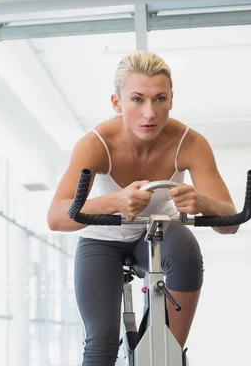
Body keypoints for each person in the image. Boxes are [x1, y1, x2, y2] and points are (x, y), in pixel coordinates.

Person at [47, 51, 240, 365]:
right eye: (137, 99)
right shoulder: (95, 144)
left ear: (171, 100)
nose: (149, 113)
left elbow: (229, 222)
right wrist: (116, 202)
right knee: (101, 345)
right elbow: (56, 217)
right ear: (116, 103)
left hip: (156, 234)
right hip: (102, 239)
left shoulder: (190, 143)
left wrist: (203, 203)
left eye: (160, 99)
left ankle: (165, 355)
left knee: (186, 253)